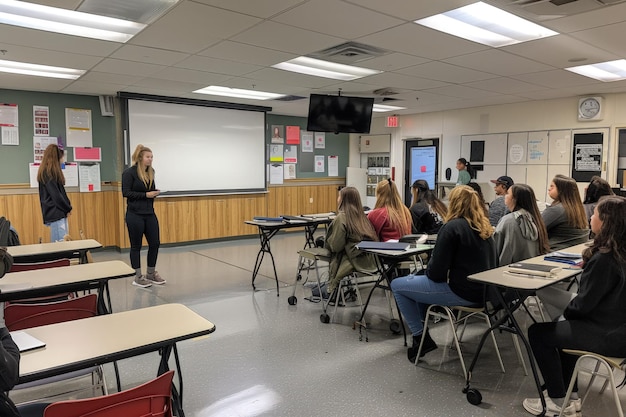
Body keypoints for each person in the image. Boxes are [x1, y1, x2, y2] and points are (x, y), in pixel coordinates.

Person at [522, 196, 626, 417]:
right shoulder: (619, 254)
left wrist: (564, 315)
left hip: (608, 335)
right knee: (564, 329)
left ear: (606, 221)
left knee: (539, 333)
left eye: (595, 213)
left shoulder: (604, 260)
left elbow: (582, 305)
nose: (591, 216)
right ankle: (571, 395)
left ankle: (556, 402)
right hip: (617, 329)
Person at [390, 185, 497, 363]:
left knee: (398, 285)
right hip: (485, 293)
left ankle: (419, 338)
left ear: (454, 203)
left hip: (462, 292)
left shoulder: (452, 227)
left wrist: (426, 271)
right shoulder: (484, 228)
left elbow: (436, 273)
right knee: (417, 283)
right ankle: (422, 335)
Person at [122, 144, 166, 288]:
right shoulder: (129, 173)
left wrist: (154, 193)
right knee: (136, 246)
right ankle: (138, 276)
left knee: (155, 243)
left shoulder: (151, 172)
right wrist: (146, 195)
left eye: (152, 157)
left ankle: (151, 273)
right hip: (134, 214)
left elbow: (150, 189)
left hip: (149, 213)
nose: (150, 159)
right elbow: (126, 193)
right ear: (140, 158)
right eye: (148, 157)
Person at [324, 187, 378, 293]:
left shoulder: (341, 218)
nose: (338, 198)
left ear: (344, 199)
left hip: (351, 261)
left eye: (339, 196)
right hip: (370, 262)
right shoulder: (364, 217)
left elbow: (336, 246)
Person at [494, 184, 550, 266]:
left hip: (508, 269)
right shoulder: (536, 219)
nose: (505, 196)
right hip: (532, 267)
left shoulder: (508, 220)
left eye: (508, 193)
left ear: (515, 199)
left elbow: (496, 248)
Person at [542, 174, 589, 251]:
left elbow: (536, 230)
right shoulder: (578, 208)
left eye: (552, 186)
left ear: (561, 190)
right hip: (573, 252)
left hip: (554, 252)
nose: (549, 189)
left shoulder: (557, 210)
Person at [37, 144, 72, 242]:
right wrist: (67, 208)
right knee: (60, 244)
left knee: (63, 242)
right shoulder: (48, 173)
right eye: (61, 157)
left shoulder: (52, 173)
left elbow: (62, 194)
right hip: (56, 213)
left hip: (59, 212)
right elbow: (57, 197)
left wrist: (68, 207)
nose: (62, 160)